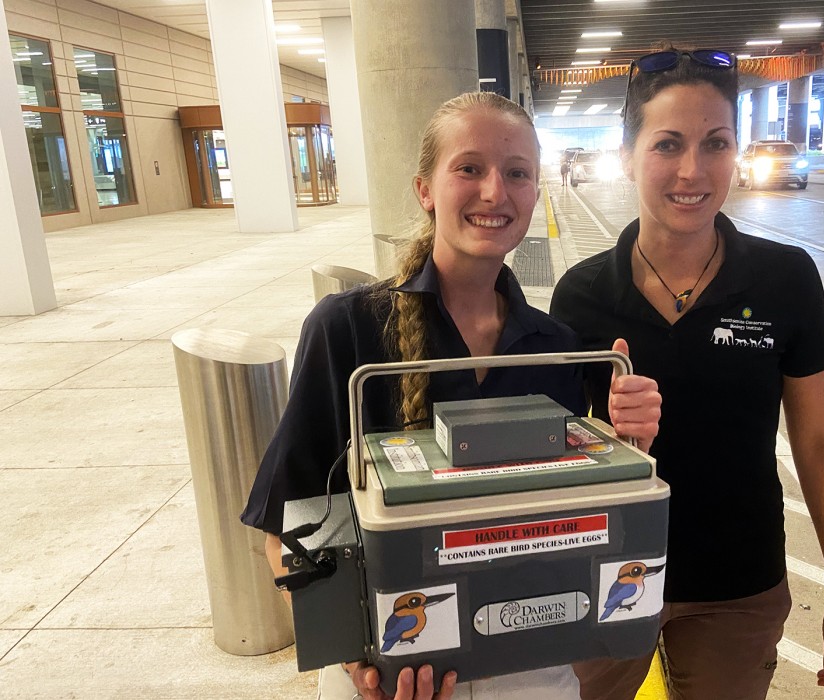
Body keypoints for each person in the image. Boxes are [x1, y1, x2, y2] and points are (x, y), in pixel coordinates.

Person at [241, 91, 660, 700]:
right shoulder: (349, 328)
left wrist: (632, 441)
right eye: (469, 168)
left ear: (535, 194)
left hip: (529, 672)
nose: (495, 192)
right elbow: (290, 518)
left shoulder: (554, 347)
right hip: (389, 673)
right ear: (424, 190)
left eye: (517, 173)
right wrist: (356, 657)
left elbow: (579, 526)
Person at [551, 46, 824, 699]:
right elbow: (551, 456)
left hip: (737, 584)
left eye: (715, 143)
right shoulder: (582, 296)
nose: (692, 170)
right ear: (630, 153)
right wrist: (602, 430)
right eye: (668, 144)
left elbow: (818, 442)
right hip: (610, 573)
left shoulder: (785, 280)